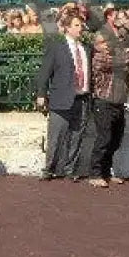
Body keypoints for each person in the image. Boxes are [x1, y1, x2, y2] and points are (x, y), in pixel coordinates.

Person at [86, 6, 129, 188]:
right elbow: (120, 60)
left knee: (115, 139)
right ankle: (94, 173)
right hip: (103, 99)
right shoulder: (99, 54)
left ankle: (106, 172)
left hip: (118, 100)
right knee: (104, 138)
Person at [35, 11, 91, 181]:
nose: (80, 29)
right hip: (61, 99)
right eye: (76, 25)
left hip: (82, 98)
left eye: (81, 25)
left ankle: (70, 169)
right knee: (56, 136)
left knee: (77, 136)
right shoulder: (56, 47)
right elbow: (45, 72)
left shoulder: (86, 49)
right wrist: (41, 94)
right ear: (67, 28)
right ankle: (49, 168)